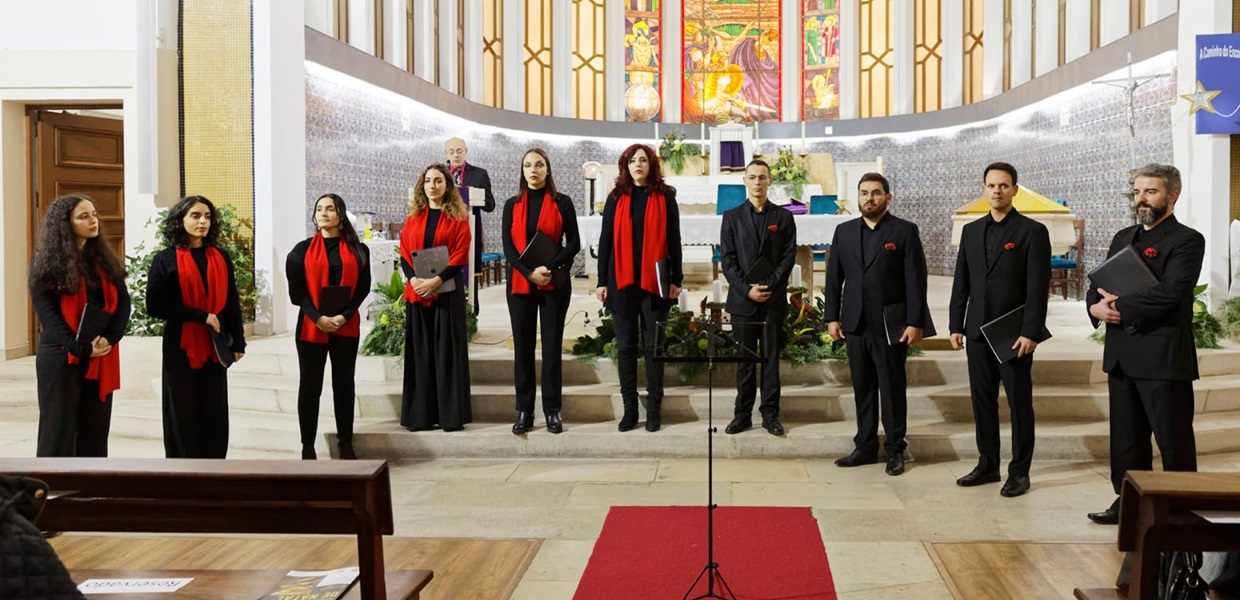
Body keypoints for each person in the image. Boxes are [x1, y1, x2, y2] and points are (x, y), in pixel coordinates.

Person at [1085, 164, 1202, 524]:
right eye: (1137, 192)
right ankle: (1129, 503)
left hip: (1162, 357)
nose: (1141, 200)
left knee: (1173, 440)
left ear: (1172, 195)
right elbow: (1098, 283)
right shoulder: (1123, 236)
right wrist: (1094, 307)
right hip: (1122, 356)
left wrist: (1119, 306)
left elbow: (1172, 293)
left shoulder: (1187, 240)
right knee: (1126, 440)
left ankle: (1181, 511)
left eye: (1150, 192)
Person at [948, 162, 1050, 497]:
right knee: (982, 402)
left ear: (1014, 190)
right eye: (991, 185)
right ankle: (988, 464)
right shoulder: (971, 231)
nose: (997, 191)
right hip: (977, 330)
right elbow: (962, 282)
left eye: (1004, 186)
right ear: (984, 189)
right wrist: (956, 324)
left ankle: (1020, 472)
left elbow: (1037, 288)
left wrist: (1031, 331)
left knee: (1019, 404)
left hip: (1012, 333)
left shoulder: (1032, 232)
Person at [824, 173, 933, 475]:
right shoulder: (844, 231)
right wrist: (832, 317)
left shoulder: (904, 231)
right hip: (855, 322)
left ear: (887, 197)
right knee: (863, 388)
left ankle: (896, 448)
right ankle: (865, 446)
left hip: (890, 324)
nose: (869, 198)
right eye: (864, 193)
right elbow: (833, 278)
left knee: (892, 388)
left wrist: (915, 321)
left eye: (875, 193)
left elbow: (916, 280)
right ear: (858, 196)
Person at [27, 194, 131, 457]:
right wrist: (80, 348)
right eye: (84, 216)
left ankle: (91, 481)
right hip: (62, 355)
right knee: (58, 429)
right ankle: (53, 481)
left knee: (94, 430)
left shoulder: (105, 260)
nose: (93, 221)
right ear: (65, 223)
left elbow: (123, 304)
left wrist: (111, 338)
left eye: (94, 214)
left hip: (101, 353)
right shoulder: (45, 263)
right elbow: (49, 316)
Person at [147, 195, 247, 459]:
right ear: (180, 220)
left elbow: (231, 302)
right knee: (182, 409)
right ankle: (183, 470)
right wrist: (200, 316)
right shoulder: (165, 259)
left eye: (207, 216)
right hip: (180, 344)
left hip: (215, 344)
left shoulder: (220, 257)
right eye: (195, 216)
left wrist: (238, 341)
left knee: (214, 409)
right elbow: (155, 305)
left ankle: (214, 469)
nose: (203, 221)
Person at [596, 143, 683, 432]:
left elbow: (673, 239)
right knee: (626, 347)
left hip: (654, 282)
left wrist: (676, 279)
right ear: (626, 165)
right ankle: (630, 409)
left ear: (651, 165)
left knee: (654, 347)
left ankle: (654, 408)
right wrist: (601, 281)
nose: (638, 164)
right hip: (621, 282)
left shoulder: (665, 197)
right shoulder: (615, 198)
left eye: (643, 160)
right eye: (633, 160)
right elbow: (605, 241)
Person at [285, 193, 372, 460]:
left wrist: (345, 316)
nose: (324, 213)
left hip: (346, 326)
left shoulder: (359, 250)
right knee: (310, 387)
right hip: (312, 327)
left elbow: (362, 288)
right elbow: (297, 294)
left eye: (330, 209)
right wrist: (318, 318)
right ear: (314, 216)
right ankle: (307, 447)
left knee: (344, 386)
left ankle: (345, 441)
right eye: (319, 209)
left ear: (340, 215)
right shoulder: (300, 251)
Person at [502, 149, 581, 435]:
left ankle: (551, 410)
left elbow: (574, 243)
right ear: (522, 171)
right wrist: (528, 273)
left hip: (553, 283)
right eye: (527, 165)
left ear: (547, 169)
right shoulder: (512, 205)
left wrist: (548, 267)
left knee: (551, 347)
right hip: (521, 284)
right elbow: (508, 247)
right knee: (523, 348)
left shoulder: (562, 202)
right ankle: (524, 409)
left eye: (538, 165)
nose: (533, 170)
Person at [720, 159, 797, 436]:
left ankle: (770, 415)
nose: (757, 182)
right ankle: (742, 415)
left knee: (770, 360)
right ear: (745, 181)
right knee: (744, 361)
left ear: (769, 181)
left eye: (762, 177)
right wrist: (747, 289)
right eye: (752, 177)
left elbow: (788, 256)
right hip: (743, 302)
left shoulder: (783, 217)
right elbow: (727, 261)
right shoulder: (731, 217)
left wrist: (769, 285)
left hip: (772, 300)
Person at [399, 163, 473, 432]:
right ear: (423, 186)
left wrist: (436, 281)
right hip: (418, 293)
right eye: (428, 181)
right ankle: (421, 416)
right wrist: (414, 280)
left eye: (438, 181)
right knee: (421, 355)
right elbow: (404, 253)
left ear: (447, 186)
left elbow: (460, 254)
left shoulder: (458, 218)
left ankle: (450, 416)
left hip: (446, 293)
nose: (433, 185)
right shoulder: (413, 218)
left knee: (446, 355)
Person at [444, 137, 495, 315]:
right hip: (444, 232)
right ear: (446, 153)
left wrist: (472, 196)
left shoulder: (479, 174)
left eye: (459, 151)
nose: (456, 155)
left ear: (466, 151)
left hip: (470, 231)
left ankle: (471, 314)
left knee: (469, 272)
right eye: (452, 152)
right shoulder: (439, 174)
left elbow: (490, 205)